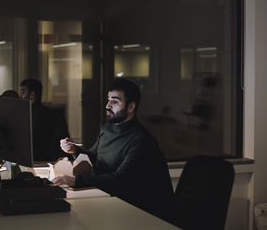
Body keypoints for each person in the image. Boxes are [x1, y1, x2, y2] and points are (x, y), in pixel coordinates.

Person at [53, 78, 176, 224]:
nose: (107, 106)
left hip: (143, 213)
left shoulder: (142, 140)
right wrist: (74, 150)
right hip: (116, 200)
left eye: (115, 101)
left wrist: (75, 181)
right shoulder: (108, 129)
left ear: (131, 107)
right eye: (108, 99)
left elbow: (121, 178)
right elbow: (93, 159)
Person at [20, 79, 69, 162]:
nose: (20, 96)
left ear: (32, 95)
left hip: (39, 161)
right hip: (47, 160)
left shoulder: (33, 117)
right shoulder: (45, 113)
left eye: (23, 92)